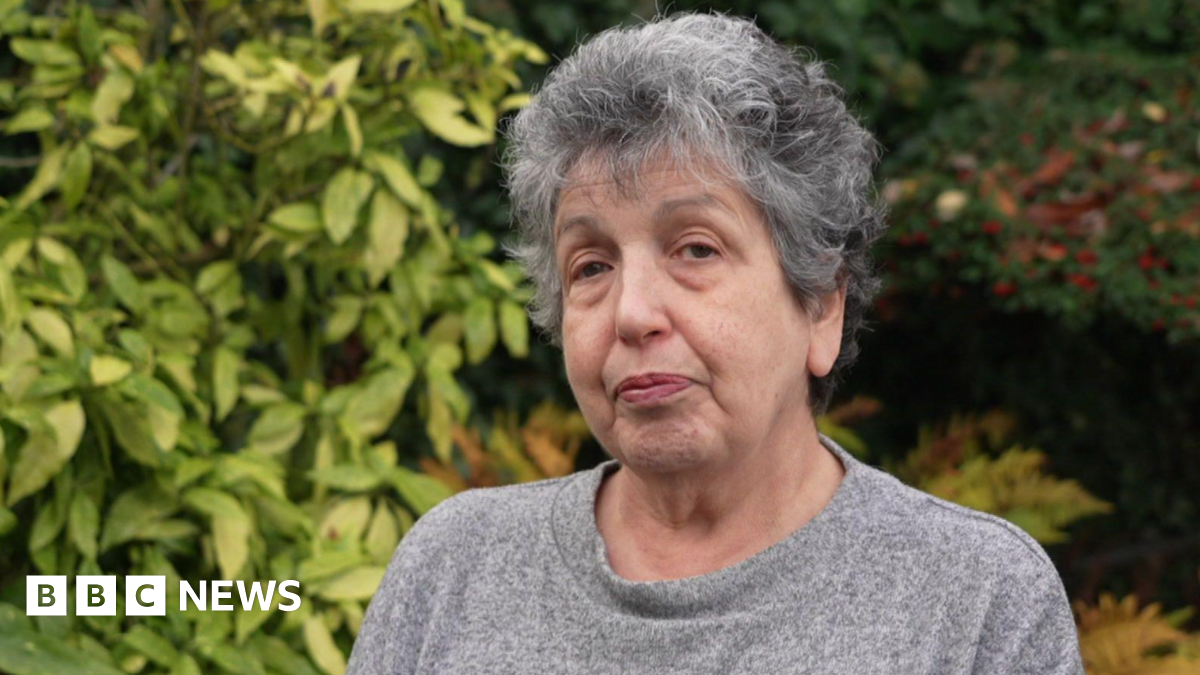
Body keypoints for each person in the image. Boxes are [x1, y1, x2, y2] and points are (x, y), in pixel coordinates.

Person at [346, 11, 1085, 674]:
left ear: (821, 306)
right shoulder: (454, 568)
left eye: (695, 249)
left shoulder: (977, 598)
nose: (633, 313)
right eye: (591, 266)